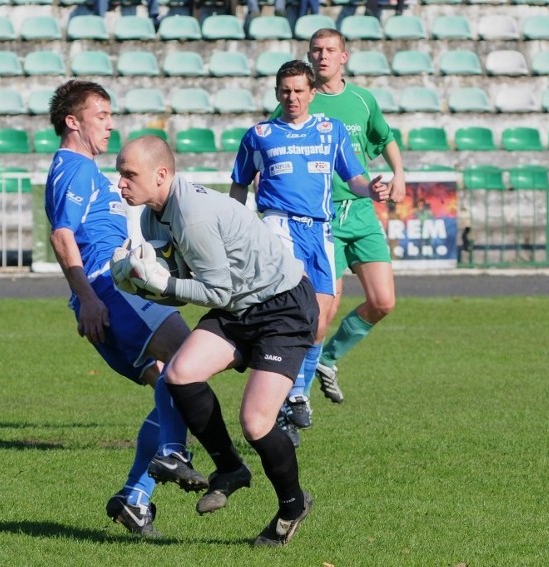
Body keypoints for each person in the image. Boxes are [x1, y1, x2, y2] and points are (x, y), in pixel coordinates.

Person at [112, 136, 383, 546]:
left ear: (161, 175)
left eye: (129, 174)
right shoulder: (154, 216)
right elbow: (194, 288)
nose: (121, 183)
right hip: (239, 306)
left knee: (256, 422)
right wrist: (143, 287)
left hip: (282, 309)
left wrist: (162, 283)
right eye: (120, 173)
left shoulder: (192, 214)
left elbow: (214, 292)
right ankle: (230, 470)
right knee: (180, 374)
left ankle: (292, 506)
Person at [44, 80, 207, 538]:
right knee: (190, 363)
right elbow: (62, 237)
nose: (110, 124)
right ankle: (173, 454)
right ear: (73, 121)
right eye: (101, 115)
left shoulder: (86, 171)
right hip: (110, 293)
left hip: (117, 291)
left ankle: (135, 498)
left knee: (173, 386)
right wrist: (90, 298)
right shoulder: (73, 168)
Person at [232, 59, 391, 442]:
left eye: (299, 91)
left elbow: (353, 177)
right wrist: (236, 228)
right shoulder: (259, 134)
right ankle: (296, 395)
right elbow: (239, 184)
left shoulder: (330, 131)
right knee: (294, 310)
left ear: (311, 93)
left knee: (318, 320)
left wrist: (371, 189)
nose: (292, 97)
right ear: (276, 93)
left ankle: (289, 398)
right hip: (279, 227)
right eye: (285, 91)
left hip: (321, 232)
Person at [278, 29, 406, 421]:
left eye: (330, 50)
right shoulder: (301, 100)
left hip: (361, 213)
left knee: (383, 302)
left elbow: (384, 137)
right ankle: (296, 395)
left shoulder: (362, 100)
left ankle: (328, 359)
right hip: (322, 216)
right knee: (321, 313)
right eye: (316, 50)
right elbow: (272, 139)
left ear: (344, 56)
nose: (322, 56)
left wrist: (398, 174)